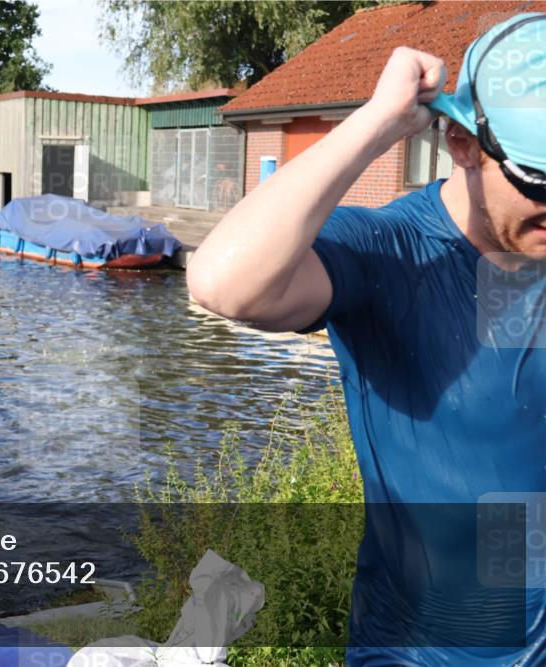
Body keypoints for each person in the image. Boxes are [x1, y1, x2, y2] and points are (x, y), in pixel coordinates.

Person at [186, 13, 545, 667]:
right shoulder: (393, 254)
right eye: (538, 182)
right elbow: (223, 281)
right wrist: (382, 119)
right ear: (462, 142)